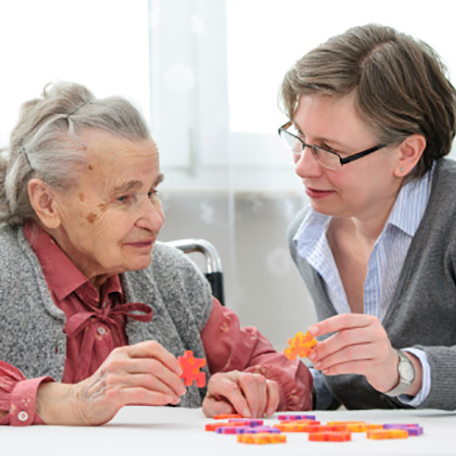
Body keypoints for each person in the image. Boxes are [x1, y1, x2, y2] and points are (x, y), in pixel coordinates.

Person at [0, 81, 313, 426]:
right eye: (123, 198)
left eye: (152, 191)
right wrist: (65, 401)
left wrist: (253, 389)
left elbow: (278, 371)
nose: (155, 219)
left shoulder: (172, 277)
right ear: (46, 202)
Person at [278, 23, 456, 410]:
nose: (303, 167)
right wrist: (282, 386)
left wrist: (402, 369)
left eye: (329, 150)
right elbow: (351, 382)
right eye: (300, 139)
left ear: (406, 154)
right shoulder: (308, 236)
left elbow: (387, 373)